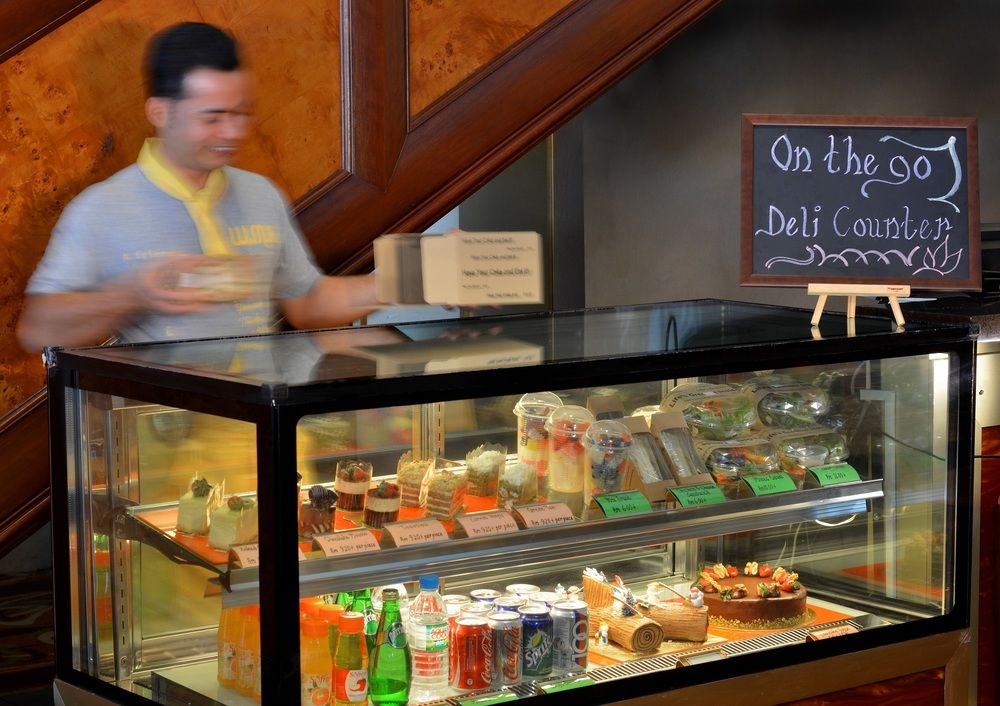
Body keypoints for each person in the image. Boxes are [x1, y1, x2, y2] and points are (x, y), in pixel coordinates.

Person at [17, 22, 380, 352]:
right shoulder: (101, 208)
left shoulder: (261, 194)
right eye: (213, 117)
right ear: (160, 113)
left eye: (241, 113)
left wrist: (399, 283)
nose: (234, 132)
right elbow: (36, 331)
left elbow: (306, 302)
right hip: (167, 403)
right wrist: (134, 294)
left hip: (265, 401)